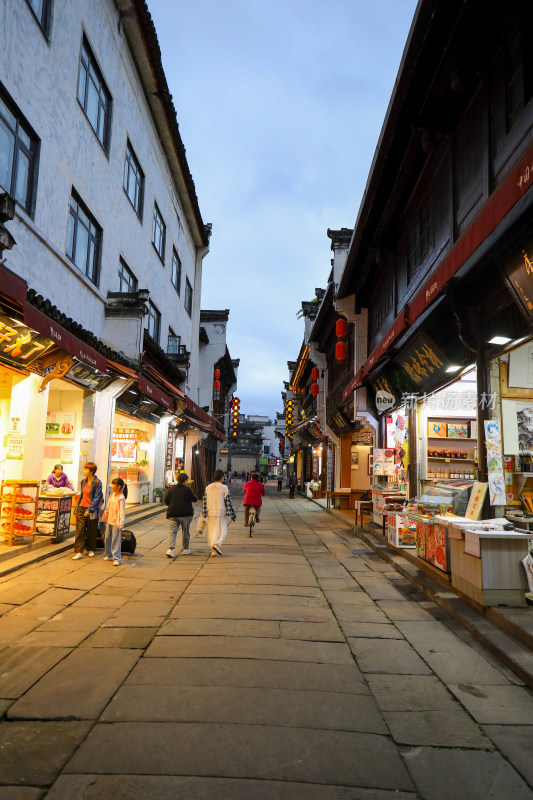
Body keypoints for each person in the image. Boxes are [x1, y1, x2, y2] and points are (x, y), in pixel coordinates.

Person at [201, 469, 236, 556]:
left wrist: (204, 513)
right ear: (222, 477)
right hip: (220, 512)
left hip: (210, 512)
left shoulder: (208, 487)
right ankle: (216, 544)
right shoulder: (224, 487)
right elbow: (228, 502)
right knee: (222, 531)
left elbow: (204, 501)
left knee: (212, 531)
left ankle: (213, 551)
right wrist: (232, 514)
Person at [73, 462, 103, 559]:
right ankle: (79, 551)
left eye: (86, 470)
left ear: (92, 471)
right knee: (80, 530)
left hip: (92, 509)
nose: (84, 471)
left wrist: (90, 509)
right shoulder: (83, 481)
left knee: (91, 530)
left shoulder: (98, 482)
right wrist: (77, 508)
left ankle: (91, 549)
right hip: (81, 507)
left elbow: (97, 497)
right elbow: (82, 495)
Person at [164, 472, 198, 558]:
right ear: (185, 481)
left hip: (173, 514)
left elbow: (166, 501)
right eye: (187, 480)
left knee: (172, 531)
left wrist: (173, 505)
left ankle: (170, 549)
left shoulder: (172, 489)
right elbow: (194, 499)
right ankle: (186, 549)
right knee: (185, 532)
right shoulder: (187, 489)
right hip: (185, 514)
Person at [101, 477, 125, 566]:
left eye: (113, 484)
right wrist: (104, 517)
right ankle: (109, 554)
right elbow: (108, 508)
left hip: (116, 522)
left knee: (116, 540)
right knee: (107, 538)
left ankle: (117, 558)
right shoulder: (112, 496)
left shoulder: (121, 498)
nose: (112, 486)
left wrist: (121, 522)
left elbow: (121, 511)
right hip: (109, 520)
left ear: (118, 486)